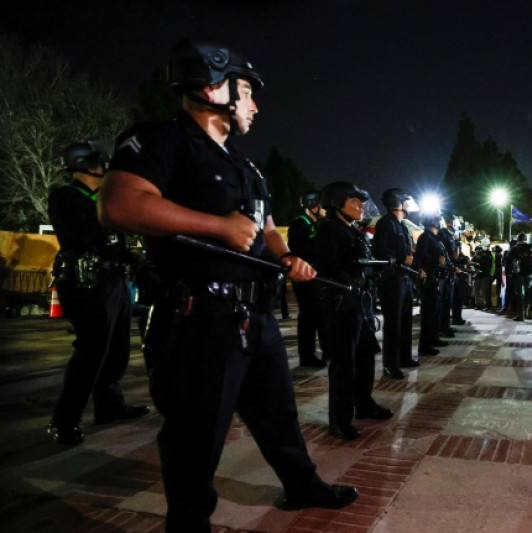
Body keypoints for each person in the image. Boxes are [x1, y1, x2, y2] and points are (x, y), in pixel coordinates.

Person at [97, 39, 357, 530]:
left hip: (252, 314)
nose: (255, 105)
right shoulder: (160, 139)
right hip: (199, 317)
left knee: (278, 413)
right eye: (248, 92)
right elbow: (118, 204)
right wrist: (217, 226)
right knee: (197, 434)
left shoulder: (243, 163)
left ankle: (302, 486)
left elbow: (269, 224)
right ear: (213, 87)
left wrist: (287, 257)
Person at [46, 140, 149, 445]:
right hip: (84, 281)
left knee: (116, 348)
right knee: (91, 350)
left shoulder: (104, 198)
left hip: (113, 279)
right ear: (87, 165)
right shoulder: (66, 197)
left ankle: (109, 406)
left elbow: (116, 240)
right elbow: (80, 235)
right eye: (100, 162)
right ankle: (64, 420)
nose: (105, 167)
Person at [312, 182, 393, 439]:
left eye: (360, 201)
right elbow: (328, 267)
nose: (360, 206)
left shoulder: (351, 230)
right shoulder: (330, 231)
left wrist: (376, 264)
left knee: (365, 354)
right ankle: (340, 420)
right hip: (341, 304)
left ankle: (364, 404)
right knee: (344, 362)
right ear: (337, 203)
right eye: (354, 201)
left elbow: (359, 261)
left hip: (360, 301)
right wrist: (356, 270)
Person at [372, 188, 421, 379]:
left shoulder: (401, 225)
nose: (408, 205)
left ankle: (404, 357)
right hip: (392, 279)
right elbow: (379, 249)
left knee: (406, 320)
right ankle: (390, 364)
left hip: (404, 278)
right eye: (405, 202)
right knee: (393, 323)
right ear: (399, 203)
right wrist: (402, 257)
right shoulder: (386, 223)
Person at [287, 188, 329, 368]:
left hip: (318, 277)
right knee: (309, 317)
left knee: (321, 315)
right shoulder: (300, 224)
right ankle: (307, 355)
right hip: (305, 278)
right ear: (313, 205)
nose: (323, 208)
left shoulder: (318, 224)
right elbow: (300, 249)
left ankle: (327, 350)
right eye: (320, 205)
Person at [414, 214, 450, 355]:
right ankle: (425, 345)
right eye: (439, 220)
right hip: (429, 279)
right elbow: (421, 257)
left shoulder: (436, 238)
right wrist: (437, 260)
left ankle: (434, 338)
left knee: (436, 312)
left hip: (437, 278)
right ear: (433, 222)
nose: (441, 222)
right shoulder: (425, 237)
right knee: (429, 313)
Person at [505, 233, 532, 321]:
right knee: (528, 293)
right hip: (531, 274)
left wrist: (508, 272)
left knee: (520, 294)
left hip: (519, 274)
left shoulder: (515, 249)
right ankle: (528, 311)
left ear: (518, 240)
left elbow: (508, 261)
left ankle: (521, 315)